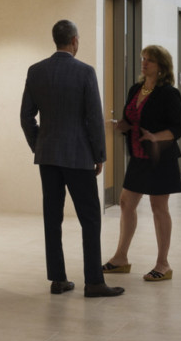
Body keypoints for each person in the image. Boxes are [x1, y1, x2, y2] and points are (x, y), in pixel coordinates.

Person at [19, 20, 125, 299]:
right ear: (75, 40)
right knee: (90, 218)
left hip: (48, 157)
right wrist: (99, 154)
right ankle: (94, 282)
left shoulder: (36, 71)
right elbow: (93, 117)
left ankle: (58, 279)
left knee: (52, 218)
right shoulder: (85, 72)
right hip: (79, 157)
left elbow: (26, 116)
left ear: (56, 40)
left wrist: (38, 144)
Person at [104, 45, 181, 283]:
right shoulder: (136, 89)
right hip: (139, 157)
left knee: (158, 208)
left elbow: (179, 127)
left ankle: (163, 264)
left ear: (161, 66)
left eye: (149, 60)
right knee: (125, 203)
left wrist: (156, 137)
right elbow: (133, 119)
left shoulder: (169, 93)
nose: (144, 63)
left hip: (160, 158)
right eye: (143, 59)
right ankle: (121, 257)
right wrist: (124, 126)